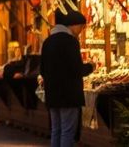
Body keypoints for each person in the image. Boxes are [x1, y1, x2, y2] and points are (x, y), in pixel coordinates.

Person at [39, 9, 95, 147]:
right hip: (69, 95)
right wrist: (91, 67)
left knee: (56, 130)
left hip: (53, 95)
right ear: (74, 25)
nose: (81, 31)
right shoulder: (71, 42)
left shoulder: (48, 42)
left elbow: (42, 69)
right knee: (67, 132)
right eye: (81, 27)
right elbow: (77, 69)